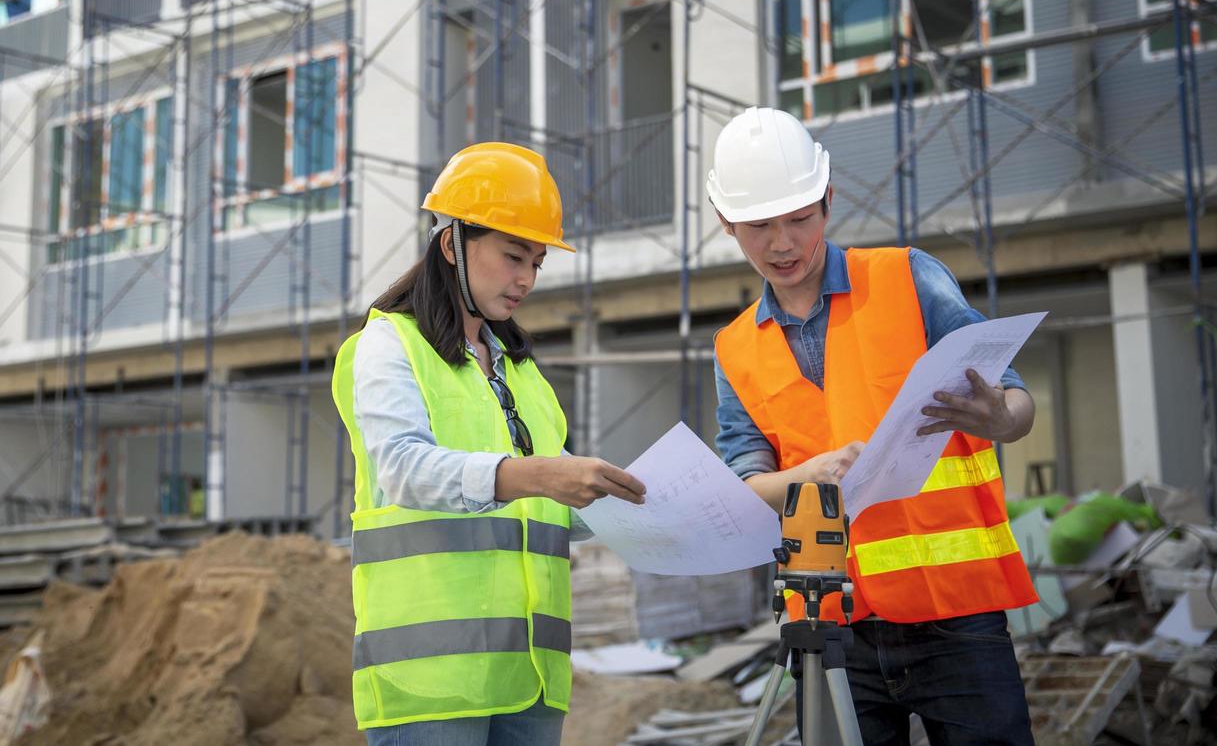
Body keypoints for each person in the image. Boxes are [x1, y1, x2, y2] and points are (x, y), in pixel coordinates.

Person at [706, 107, 1039, 745]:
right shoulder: (734, 348)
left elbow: (1014, 399)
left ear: (828, 201)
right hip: (828, 621)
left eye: (799, 219)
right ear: (727, 223)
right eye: (759, 226)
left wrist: (1001, 416)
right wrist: (805, 475)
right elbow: (745, 479)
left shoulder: (907, 279)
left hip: (955, 614)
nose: (782, 243)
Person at [331, 142, 646, 745]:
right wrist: (540, 475)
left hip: (529, 676)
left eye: (536, 262)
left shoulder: (523, 375)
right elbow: (400, 469)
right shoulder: (388, 345)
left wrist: (633, 505)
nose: (526, 278)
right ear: (451, 243)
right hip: (432, 683)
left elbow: (548, 508)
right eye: (512, 256)